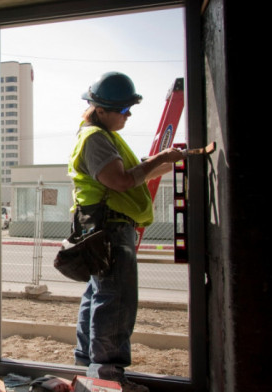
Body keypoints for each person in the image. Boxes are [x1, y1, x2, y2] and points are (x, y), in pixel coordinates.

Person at [69, 72, 184, 392]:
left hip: (106, 227)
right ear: (101, 109)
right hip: (111, 227)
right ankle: (106, 376)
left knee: (99, 295)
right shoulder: (95, 138)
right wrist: (160, 159)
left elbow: (131, 176)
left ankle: (89, 367)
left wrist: (164, 162)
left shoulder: (103, 136)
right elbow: (120, 181)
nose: (128, 115)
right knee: (114, 301)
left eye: (129, 109)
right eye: (123, 110)